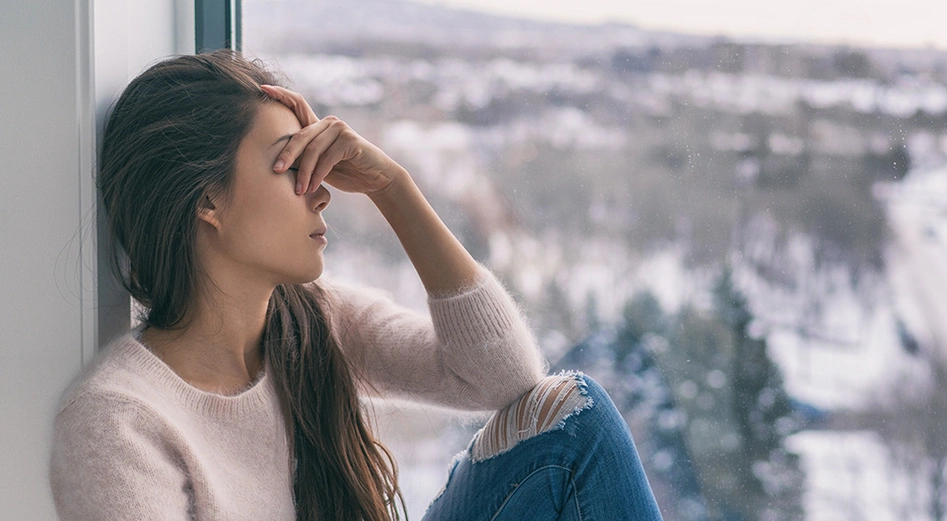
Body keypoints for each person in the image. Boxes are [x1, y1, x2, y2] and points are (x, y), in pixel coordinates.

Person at [49, 50, 663, 521]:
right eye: (291, 164)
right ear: (208, 198)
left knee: (576, 417)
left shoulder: (314, 321)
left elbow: (505, 380)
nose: (321, 191)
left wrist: (392, 188)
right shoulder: (118, 421)